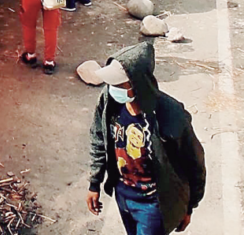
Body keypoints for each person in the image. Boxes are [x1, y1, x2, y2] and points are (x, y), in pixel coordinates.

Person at [87, 42, 206, 235]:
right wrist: (94, 183)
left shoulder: (171, 115)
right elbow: (98, 139)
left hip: (153, 205)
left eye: (119, 84)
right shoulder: (109, 102)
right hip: (123, 194)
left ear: (138, 84)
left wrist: (189, 206)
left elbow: (195, 163)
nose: (112, 88)